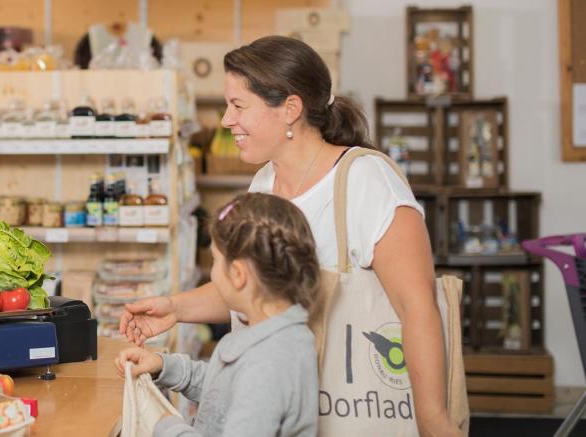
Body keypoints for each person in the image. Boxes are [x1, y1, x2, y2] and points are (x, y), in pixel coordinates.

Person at [120, 36, 460, 436]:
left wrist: (434, 420)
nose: (227, 120)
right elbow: (255, 284)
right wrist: (174, 308)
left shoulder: (367, 180)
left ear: (290, 109)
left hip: (361, 407)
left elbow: (417, 307)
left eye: (238, 105)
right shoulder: (264, 181)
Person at [117, 193, 319, 437]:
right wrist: (163, 367)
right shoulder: (263, 334)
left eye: (215, 261)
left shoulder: (269, 363)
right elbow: (224, 391)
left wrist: (165, 424)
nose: (212, 274)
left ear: (237, 275)